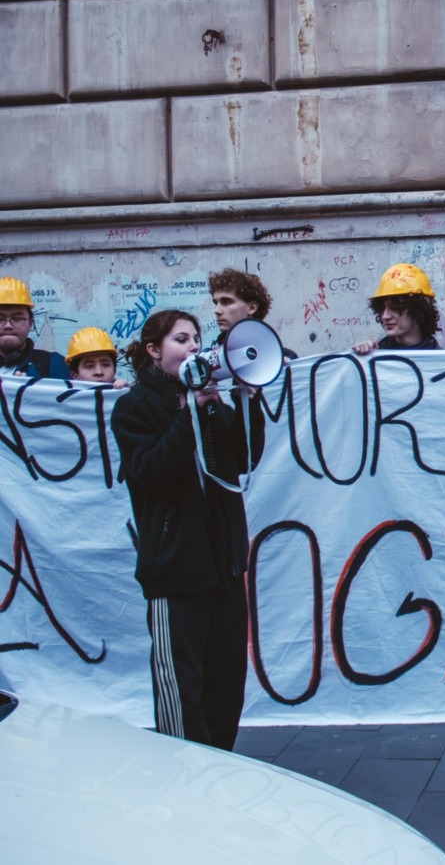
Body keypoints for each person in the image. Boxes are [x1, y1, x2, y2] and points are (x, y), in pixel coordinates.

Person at [111, 310, 264, 751]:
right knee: (182, 688)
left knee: (225, 681)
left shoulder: (211, 399)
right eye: (181, 339)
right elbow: (152, 471)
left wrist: (247, 402)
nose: (193, 347)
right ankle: (184, 779)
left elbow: (244, 460)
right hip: (176, 570)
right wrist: (189, 415)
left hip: (224, 565)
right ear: (154, 351)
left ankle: (220, 768)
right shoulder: (135, 408)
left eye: (197, 339)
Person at [208, 268, 298, 360]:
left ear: (252, 308)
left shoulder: (283, 357)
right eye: (216, 303)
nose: (217, 310)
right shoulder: (208, 358)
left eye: (226, 302)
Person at [354, 263, 442, 355]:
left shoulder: (444, 362)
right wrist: (362, 358)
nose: (385, 316)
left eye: (395, 308)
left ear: (419, 310)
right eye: (382, 308)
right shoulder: (373, 357)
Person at [0, 276, 69, 380]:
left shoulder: (53, 364)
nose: (8, 326)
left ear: (31, 323)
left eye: (17, 318)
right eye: (0, 319)